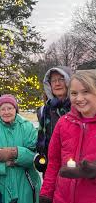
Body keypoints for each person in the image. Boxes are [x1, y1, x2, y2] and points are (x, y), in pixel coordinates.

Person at [39, 70, 96, 203]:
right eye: (74, 93)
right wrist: (46, 194)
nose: (79, 98)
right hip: (62, 198)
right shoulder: (63, 123)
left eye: (86, 91)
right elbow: (54, 162)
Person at [0, 94, 41, 203]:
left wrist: (16, 153)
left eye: (10, 108)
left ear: (16, 109)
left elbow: (35, 156)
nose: (6, 112)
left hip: (25, 183)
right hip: (0, 185)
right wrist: (6, 164)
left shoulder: (27, 127)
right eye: (3, 109)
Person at [36, 66, 72, 174]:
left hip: (75, 166)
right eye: (53, 80)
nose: (57, 84)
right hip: (51, 167)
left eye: (61, 79)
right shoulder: (44, 110)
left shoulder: (79, 107)